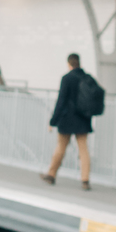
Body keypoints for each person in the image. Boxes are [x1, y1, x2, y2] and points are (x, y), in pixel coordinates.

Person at [42, 53, 92, 190]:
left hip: (68, 119)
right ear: (79, 63)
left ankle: (51, 175)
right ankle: (85, 180)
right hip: (83, 119)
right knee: (83, 150)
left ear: (69, 64)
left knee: (61, 147)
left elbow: (61, 101)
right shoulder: (87, 78)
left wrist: (53, 121)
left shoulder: (67, 78)